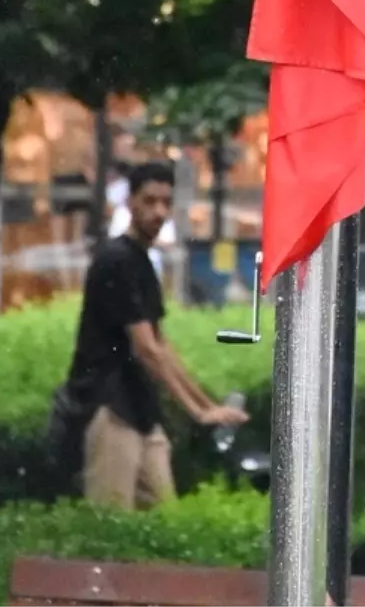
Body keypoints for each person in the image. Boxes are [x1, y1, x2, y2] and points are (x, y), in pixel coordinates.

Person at [62, 158, 247, 509]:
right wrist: (197, 412)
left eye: (165, 202)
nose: (159, 212)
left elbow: (161, 346)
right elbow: (146, 348)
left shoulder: (142, 262)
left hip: (140, 410)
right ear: (129, 202)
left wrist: (210, 407)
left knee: (164, 518)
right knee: (111, 523)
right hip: (110, 408)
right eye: (149, 201)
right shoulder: (117, 259)